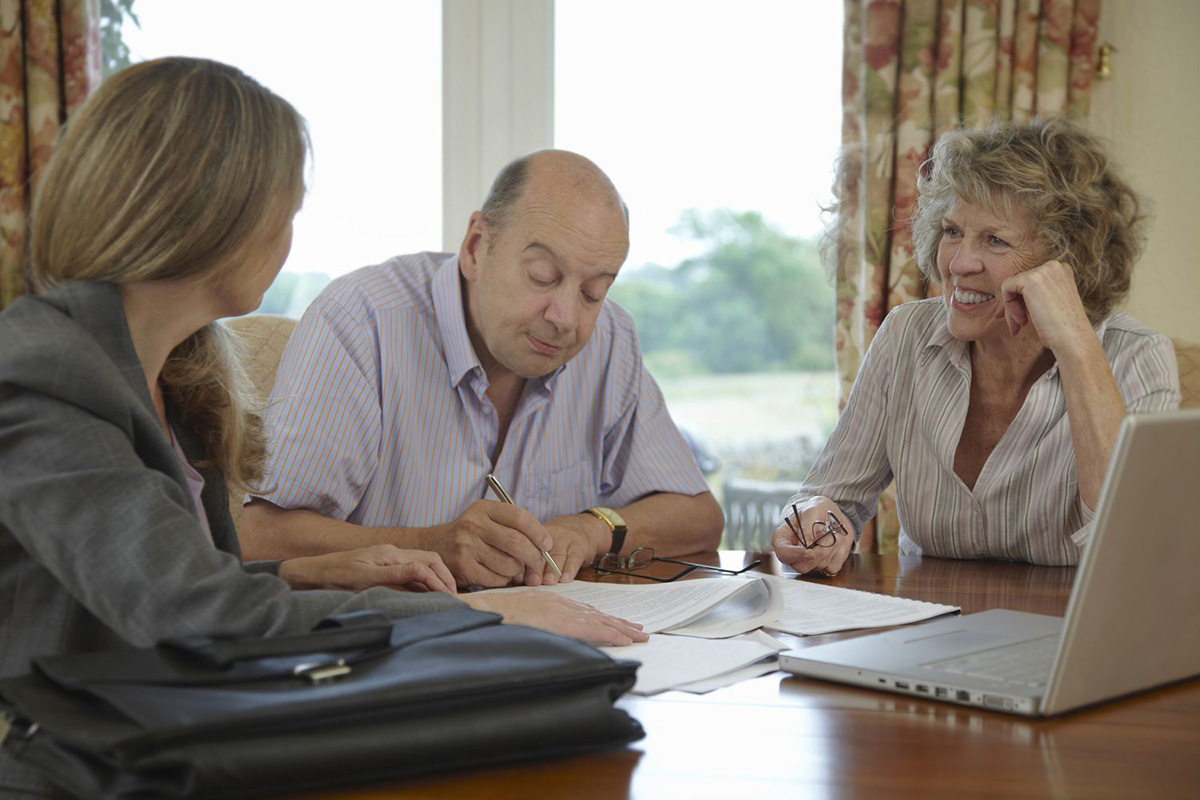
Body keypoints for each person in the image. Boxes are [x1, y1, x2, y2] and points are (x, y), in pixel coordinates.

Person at [0, 56, 647, 798]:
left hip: (166, 747)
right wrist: (478, 613)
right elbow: (189, 615)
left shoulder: (173, 374)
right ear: (210, 213)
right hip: (67, 774)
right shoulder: (46, 376)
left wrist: (307, 571)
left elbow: (168, 581)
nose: (288, 237)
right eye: (286, 212)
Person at [239, 150, 724, 588]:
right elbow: (259, 537)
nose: (566, 318)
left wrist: (591, 529)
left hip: (559, 639)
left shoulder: (610, 339)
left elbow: (699, 518)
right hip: (395, 642)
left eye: (592, 292)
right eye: (542, 276)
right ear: (475, 247)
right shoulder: (361, 320)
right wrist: (430, 544)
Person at [773, 117, 1180, 575]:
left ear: (1067, 262)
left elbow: (1133, 544)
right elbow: (830, 495)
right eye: (952, 232)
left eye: (995, 240)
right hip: (930, 616)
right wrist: (815, 520)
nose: (960, 263)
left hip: (1069, 619)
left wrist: (1077, 347)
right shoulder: (906, 335)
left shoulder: (1137, 357)